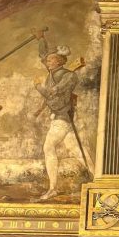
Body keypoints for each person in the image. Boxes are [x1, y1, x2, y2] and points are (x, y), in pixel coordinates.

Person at [33, 29, 92, 201]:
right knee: (78, 151)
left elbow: (53, 93)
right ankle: (98, 177)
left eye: (51, 60)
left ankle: (53, 188)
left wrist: (38, 86)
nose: (47, 62)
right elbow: (43, 55)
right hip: (59, 117)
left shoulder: (69, 76)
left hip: (64, 117)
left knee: (48, 147)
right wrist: (41, 39)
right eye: (47, 60)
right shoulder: (53, 72)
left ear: (59, 61)